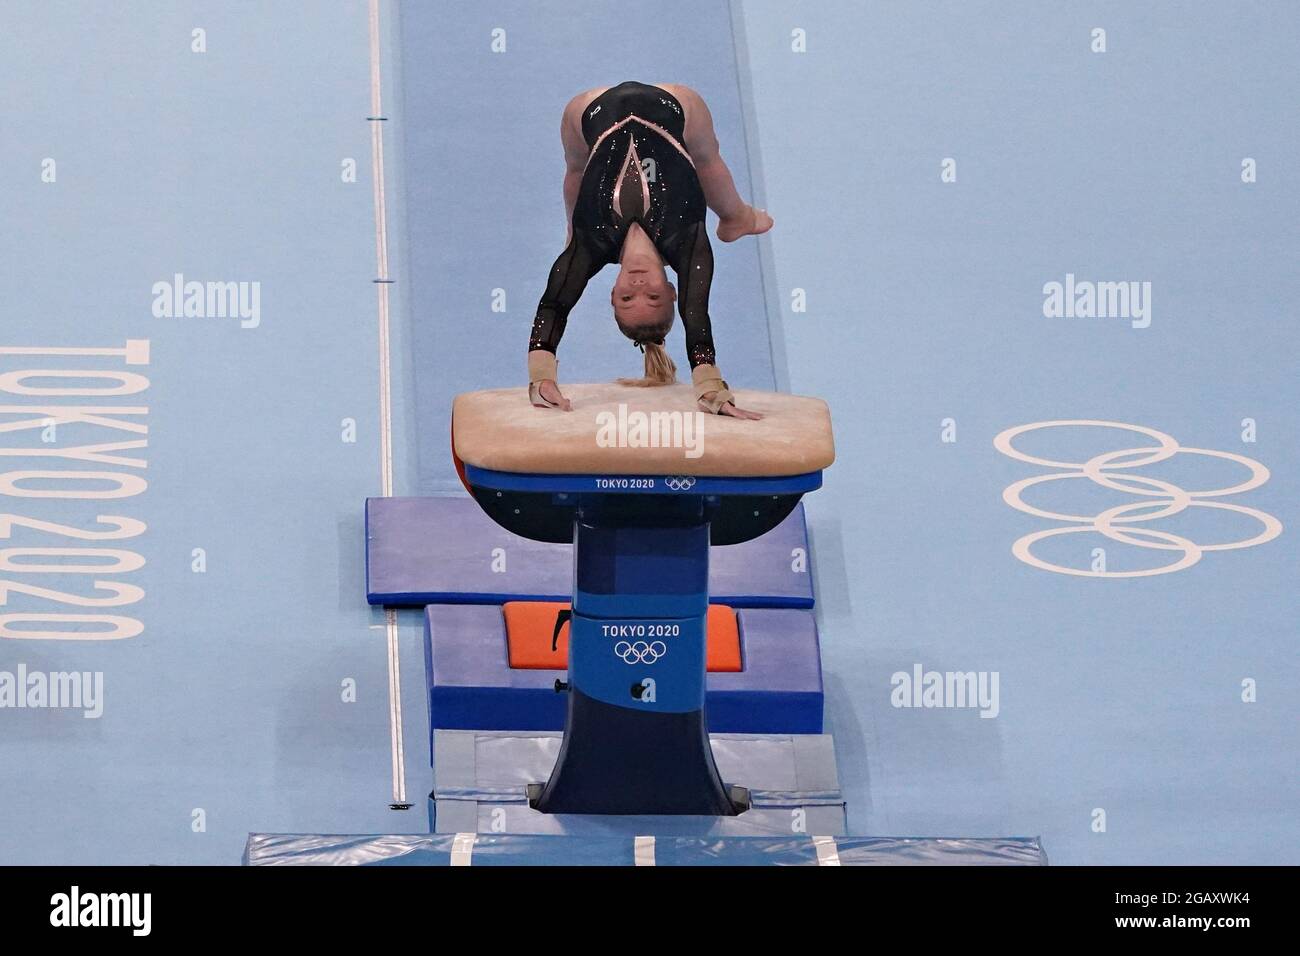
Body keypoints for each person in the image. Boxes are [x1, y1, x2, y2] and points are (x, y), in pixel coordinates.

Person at [527, 81, 772, 418]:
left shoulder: (594, 243)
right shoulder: (687, 243)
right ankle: (736, 217)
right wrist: (710, 387)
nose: (638, 289)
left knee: (577, 170)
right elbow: (696, 317)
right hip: (674, 101)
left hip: (590, 107)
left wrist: (541, 378)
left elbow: (554, 305)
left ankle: (572, 226)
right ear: (672, 291)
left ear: (612, 293)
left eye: (627, 299)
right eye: (653, 298)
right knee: (705, 155)